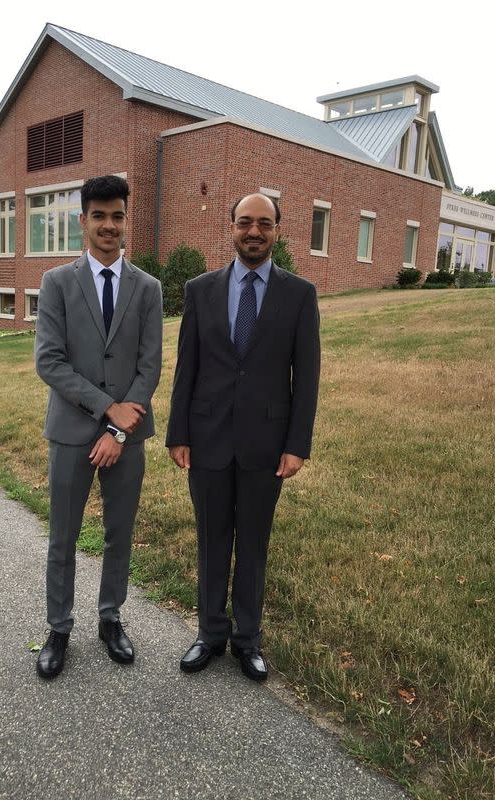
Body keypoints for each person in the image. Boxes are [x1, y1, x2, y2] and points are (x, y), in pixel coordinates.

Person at [166, 193, 320, 681]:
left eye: (265, 224)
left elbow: (307, 375)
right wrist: (178, 432)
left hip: (266, 444)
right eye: (245, 223)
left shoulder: (299, 294)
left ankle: (247, 639)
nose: (254, 232)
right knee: (212, 539)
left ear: (277, 230)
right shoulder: (200, 290)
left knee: (253, 542)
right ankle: (209, 633)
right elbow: (186, 367)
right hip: (207, 437)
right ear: (230, 227)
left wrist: (297, 444)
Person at [34, 174, 162, 679]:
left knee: (119, 534)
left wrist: (121, 430)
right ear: (83, 220)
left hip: (127, 437)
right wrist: (108, 410)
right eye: (100, 216)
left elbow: (149, 366)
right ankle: (58, 628)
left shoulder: (147, 287)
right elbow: (50, 361)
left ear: (126, 220)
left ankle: (111, 619)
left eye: (118, 216)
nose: (109, 225)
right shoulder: (57, 283)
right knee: (63, 537)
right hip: (70, 431)